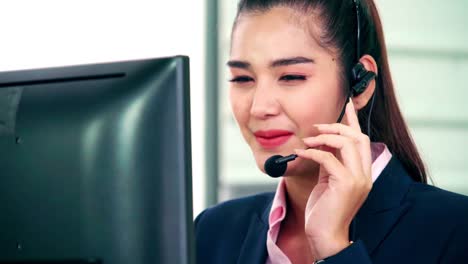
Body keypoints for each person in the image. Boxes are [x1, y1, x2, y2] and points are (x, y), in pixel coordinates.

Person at [195, 0, 468, 263]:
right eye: (242, 78)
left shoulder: (456, 229)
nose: (259, 107)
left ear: (359, 83)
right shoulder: (212, 231)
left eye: (291, 77)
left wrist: (334, 250)